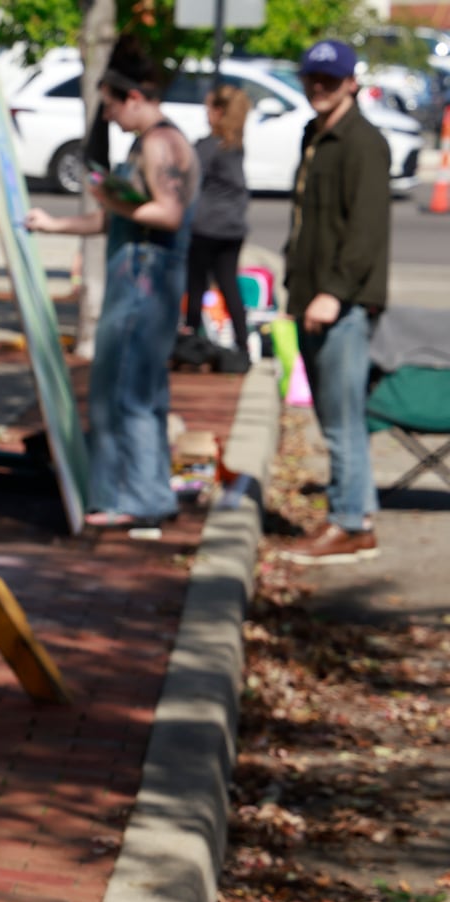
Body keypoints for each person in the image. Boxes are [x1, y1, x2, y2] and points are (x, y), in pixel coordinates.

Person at [25, 37, 200, 530]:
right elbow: (117, 221)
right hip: (142, 285)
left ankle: (137, 498)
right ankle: (140, 492)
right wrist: (55, 224)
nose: (109, 116)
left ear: (133, 98)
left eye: (110, 105)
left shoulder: (162, 144)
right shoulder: (154, 143)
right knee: (136, 390)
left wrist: (110, 196)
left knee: (123, 394)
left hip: (145, 288)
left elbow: (167, 213)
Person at [277, 39, 390, 565]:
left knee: (343, 419)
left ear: (351, 82)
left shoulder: (363, 143)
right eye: (311, 78)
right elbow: (305, 223)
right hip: (309, 298)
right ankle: (355, 515)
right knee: (330, 416)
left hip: (339, 304)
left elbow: (365, 231)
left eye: (328, 79)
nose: (317, 88)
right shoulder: (313, 134)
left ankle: (349, 522)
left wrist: (334, 292)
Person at [184, 85, 252, 357]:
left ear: (218, 112)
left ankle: (189, 335)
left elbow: (186, 176)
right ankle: (243, 343)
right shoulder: (235, 146)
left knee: (195, 284)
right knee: (229, 285)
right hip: (232, 228)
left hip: (206, 227)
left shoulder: (208, 147)